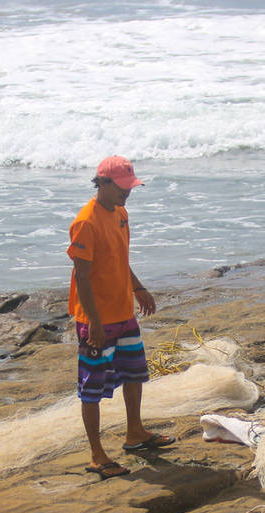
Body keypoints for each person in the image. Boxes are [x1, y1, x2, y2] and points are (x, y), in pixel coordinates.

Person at [67, 155, 175, 480]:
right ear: (102, 182)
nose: (127, 193)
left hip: (123, 312)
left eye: (131, 186)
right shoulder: (86, 222)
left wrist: (138, 288)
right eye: (122, 187)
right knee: (92, 387)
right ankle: (97, 455)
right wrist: (94, 323)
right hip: (96, 319)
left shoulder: (121, 214)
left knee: (134, 373)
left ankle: (135, 433)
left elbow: (118, 259)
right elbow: (82, 277)